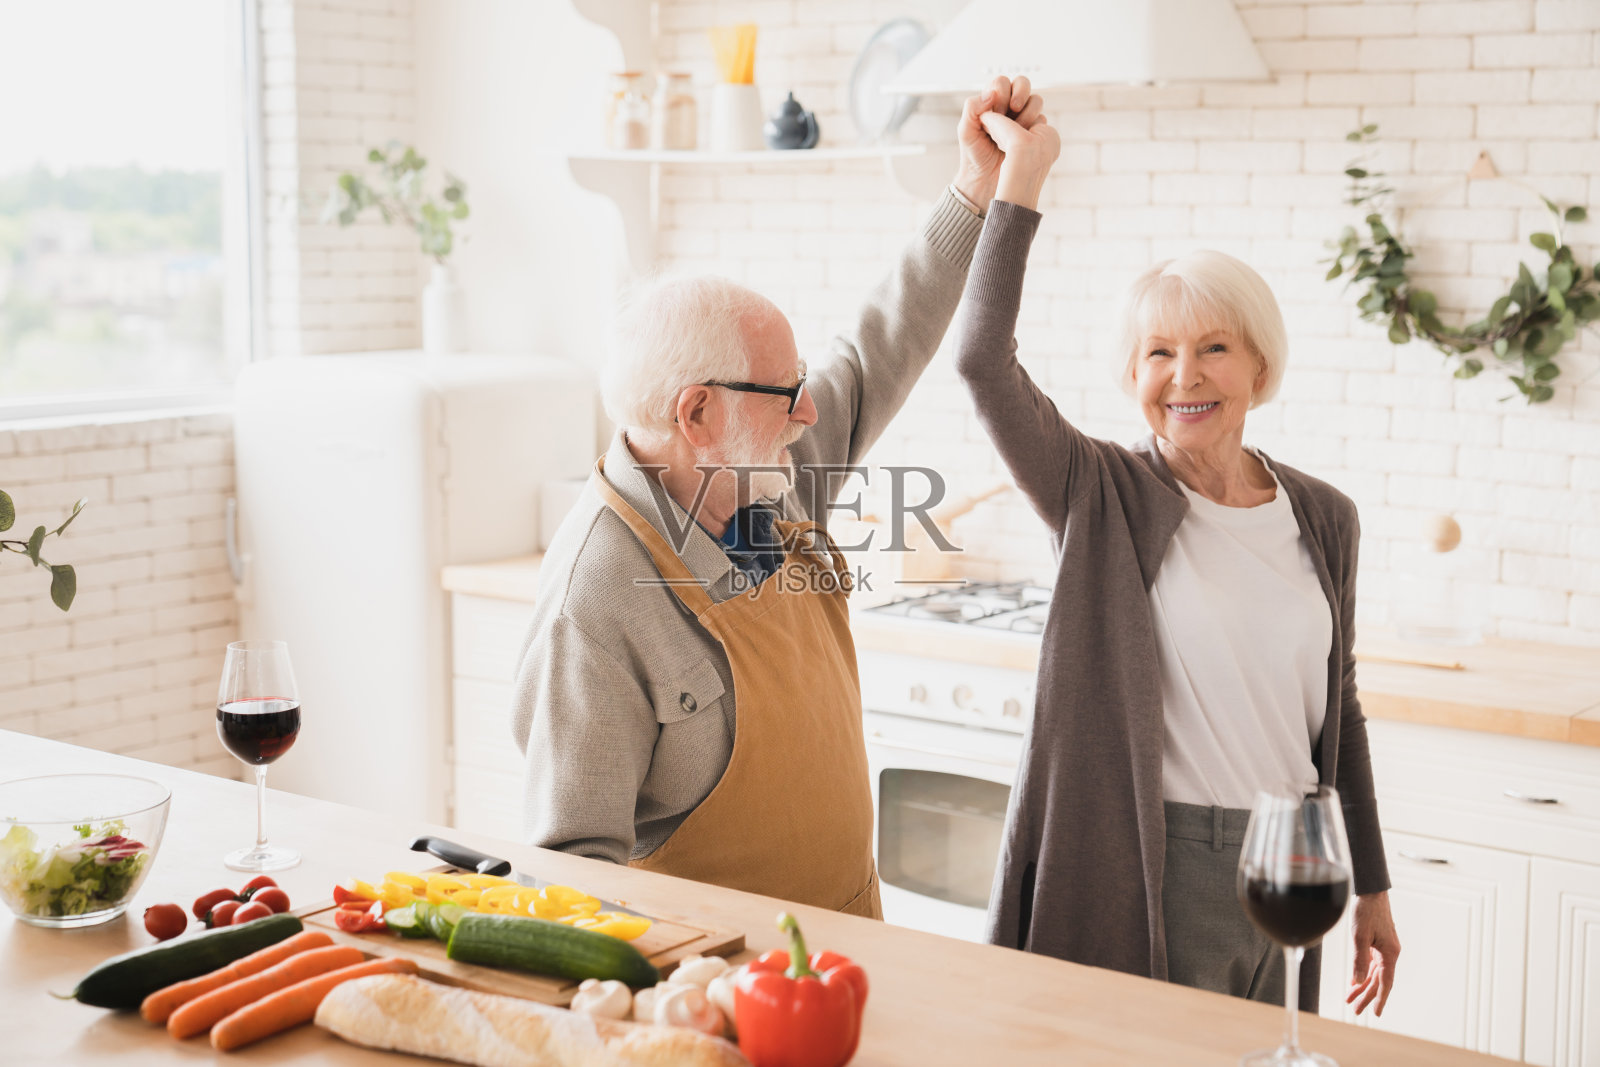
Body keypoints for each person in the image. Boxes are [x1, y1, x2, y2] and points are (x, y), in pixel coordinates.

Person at [509, 77, 1048, 917]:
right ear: (697, 414)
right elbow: (574, 875)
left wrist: (975, 188)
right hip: (720, 980)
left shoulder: (762, 473)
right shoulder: (596, 601)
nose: (810, 412)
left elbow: (876, 348)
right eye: (786, 393)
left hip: (854, 946)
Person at [951, 89, 1401, 1013]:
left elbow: (1340, 708)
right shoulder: (1098, 491)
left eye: (1214, 347)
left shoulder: (1325, 517)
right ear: (1133, 375)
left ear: (1259, 367)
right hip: (1166, 859)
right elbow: (980, 361)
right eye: (1158, 352)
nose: (1185, 375)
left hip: (1295, 858)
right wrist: (1021, 184)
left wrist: (1373, 884)